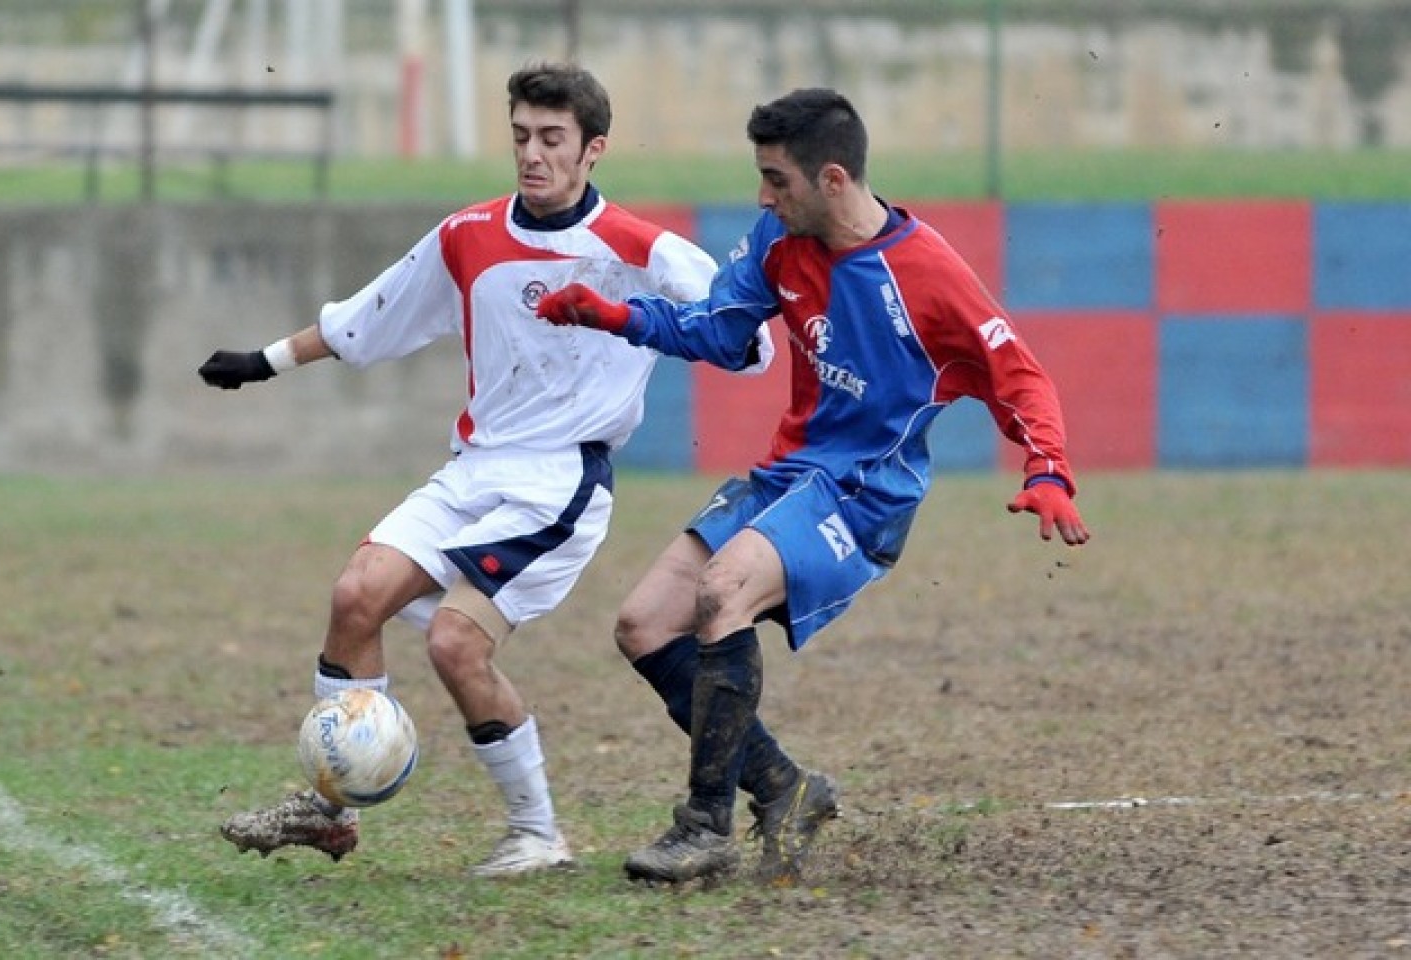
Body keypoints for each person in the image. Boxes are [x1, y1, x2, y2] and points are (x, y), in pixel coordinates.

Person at [197, 63, 771, 878]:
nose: (532, 155)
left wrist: (709, 324)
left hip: (560, 483)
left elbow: (745, 339)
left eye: (551, 140)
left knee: (457, 645)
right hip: (473, 469)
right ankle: (327, 809)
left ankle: (537, 836)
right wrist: (265, 361)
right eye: (520, 137)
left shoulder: (641, 250)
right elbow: (371, 318)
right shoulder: (467, 234)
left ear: (592, 150)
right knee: (355, 596)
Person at [536, 87, 1091, 885]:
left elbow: (1022, 378)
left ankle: (704, 829)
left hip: (864, 495)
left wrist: (1049, 472)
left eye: (776, 179)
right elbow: (723, 334)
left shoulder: (927, 273)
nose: (763, 197)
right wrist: (615, 316)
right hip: (790, 477)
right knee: (643, 626)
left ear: (832, 179)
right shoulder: (778, 239)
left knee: (722, 591)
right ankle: (785, 788)